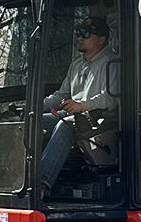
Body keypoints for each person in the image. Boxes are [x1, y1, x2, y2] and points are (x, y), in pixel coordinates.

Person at [41, 15, 118, 193]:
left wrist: (81, 105)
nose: (79, 38)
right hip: (75, 115)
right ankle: (19, 177)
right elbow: (61, 94)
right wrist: (34, 107)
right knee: (35, 121)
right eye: (78, 34)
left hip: (100, 120)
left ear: (101, 39)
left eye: (85, 34)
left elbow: (111, 98)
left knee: (65, 125)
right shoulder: (76, 65)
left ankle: (41, 185)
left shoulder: (112, 62)